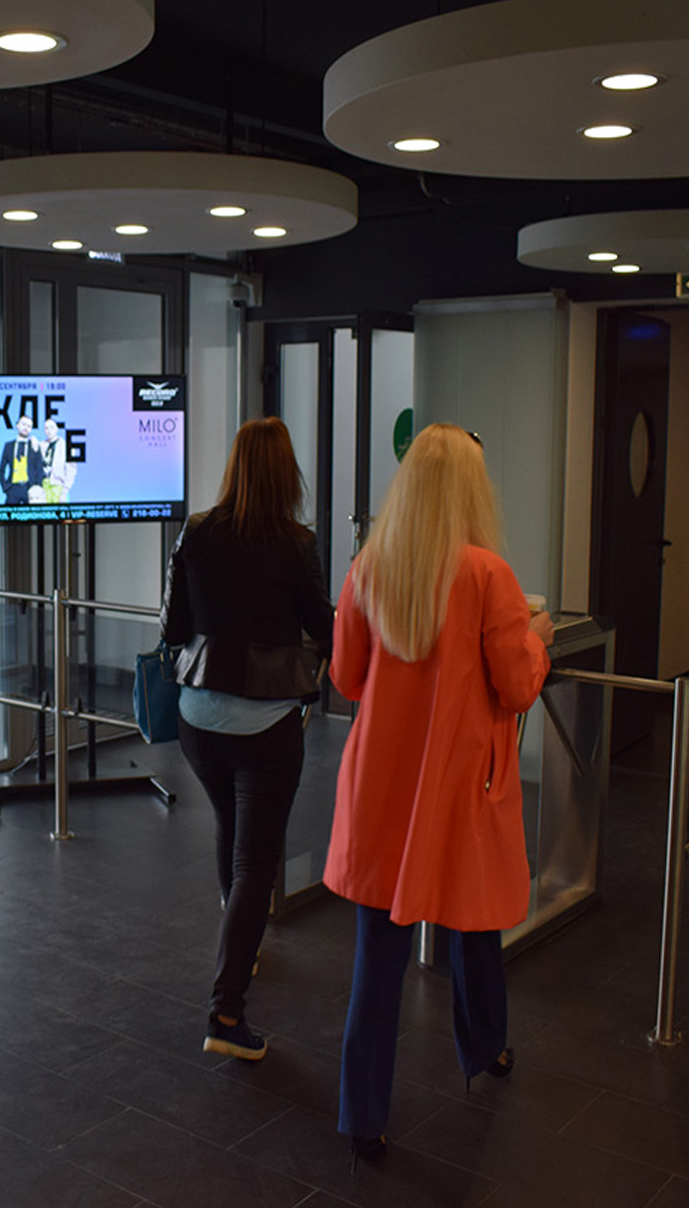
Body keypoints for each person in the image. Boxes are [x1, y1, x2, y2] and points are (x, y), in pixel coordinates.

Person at [322, 423, 555, 1165]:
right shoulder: (488, 575)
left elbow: (346, 678)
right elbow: (517, 686)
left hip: (381, 788)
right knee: (473, 917)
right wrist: (538, 636)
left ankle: (362, 1119)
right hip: (460, 788)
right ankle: (484, 1045)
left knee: (376, 958)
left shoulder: (370, 566)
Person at [161, 417, 334, 1062]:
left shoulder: (197, 530)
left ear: (235, 467)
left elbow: (173, 627)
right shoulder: (296, 543)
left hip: (197, 723)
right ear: (288, 474)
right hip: (265, 727)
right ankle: (226, 1011)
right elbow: (324, 628)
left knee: (232, 833)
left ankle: (242, 948)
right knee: (255, 864)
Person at [0, 415, 41, 505]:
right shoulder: (8, 446)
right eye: (24, 424)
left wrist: (37, 489)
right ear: (17, 425)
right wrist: (6, 487)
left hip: (29, 489)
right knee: (8, 513)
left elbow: (39, 469)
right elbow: (1, 470)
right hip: (12, 488)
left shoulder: (34, 446)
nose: (26, 428)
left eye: (29, 426)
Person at [33, 417, 74, 504]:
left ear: (56, 429)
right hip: (44, 485)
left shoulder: (65, 445)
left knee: (60, 510)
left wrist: (65, 490)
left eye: (51, 427)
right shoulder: (42, 445)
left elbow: (71, 470)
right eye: (46, 428)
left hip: (59, 485)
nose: (49, 431)